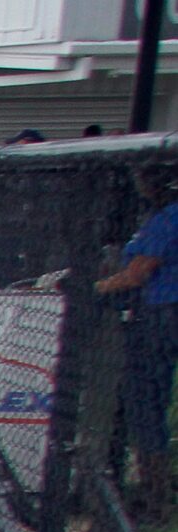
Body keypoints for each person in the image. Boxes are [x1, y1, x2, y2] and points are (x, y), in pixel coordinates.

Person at [99, 179, 178, 514]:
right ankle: (155, 491)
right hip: (158, 314)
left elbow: (136, 274)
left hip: (161, 314)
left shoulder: (168, 217)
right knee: (147, 403)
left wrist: (94, 287)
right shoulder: (159, 217)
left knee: (146, 400)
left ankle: (155, 496)